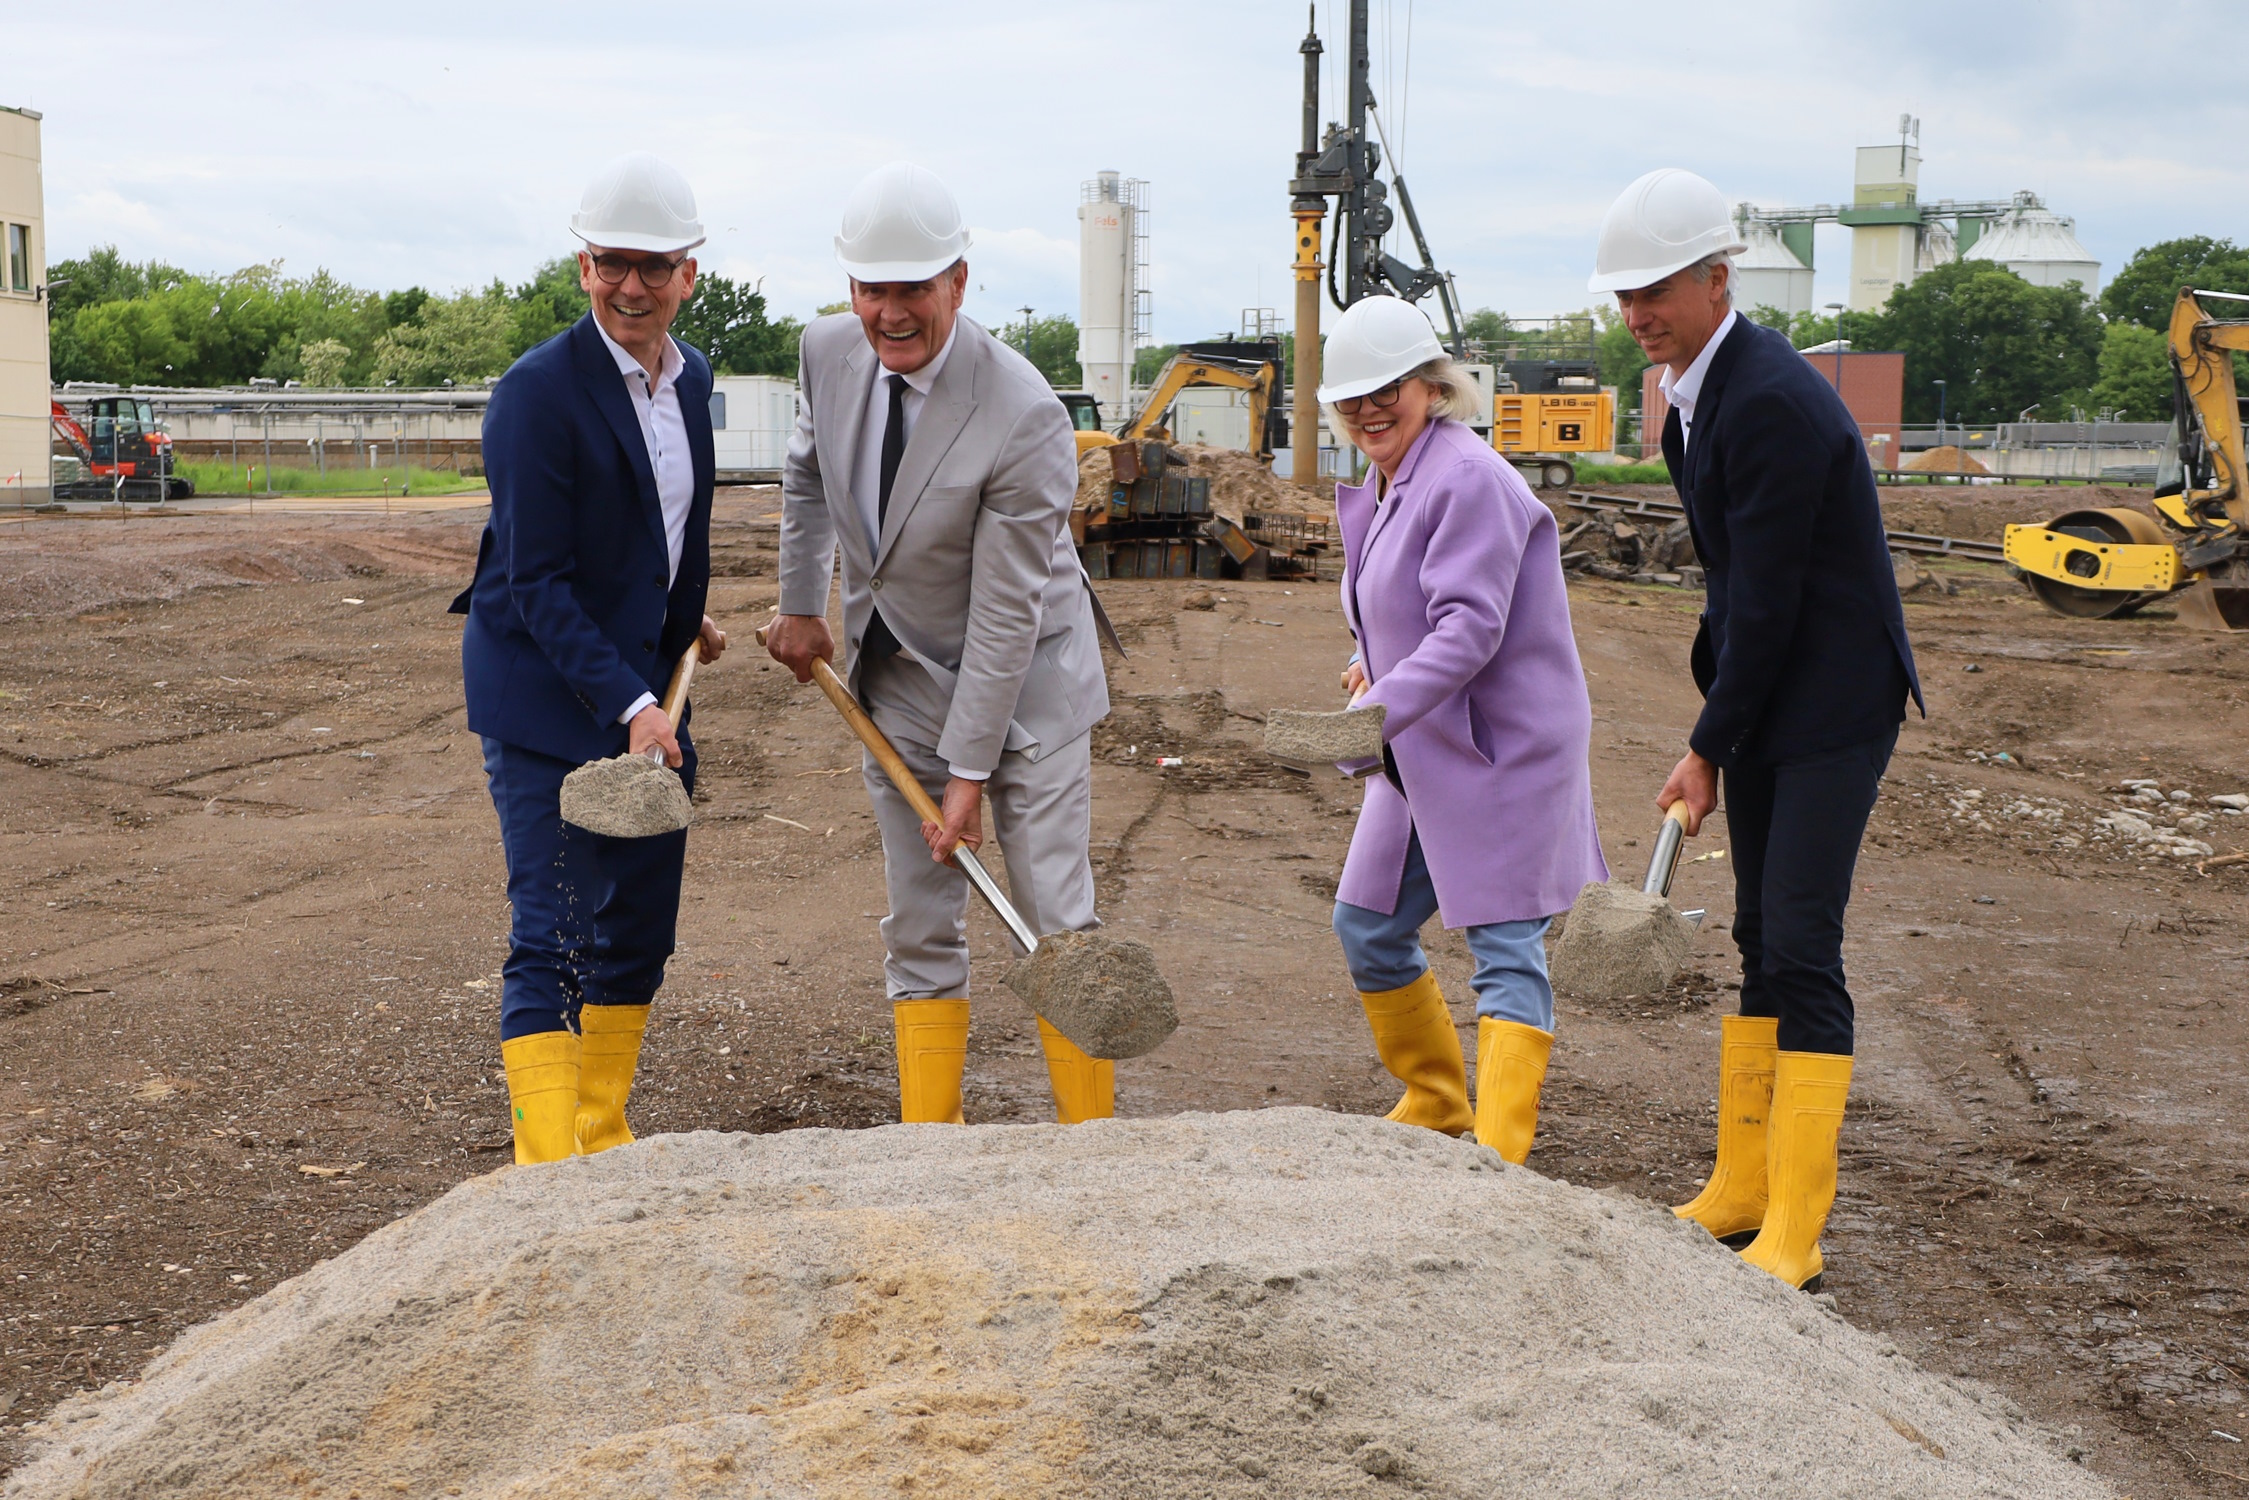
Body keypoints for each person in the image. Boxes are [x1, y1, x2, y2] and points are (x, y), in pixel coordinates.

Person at [1589, 168, 1921, 1288]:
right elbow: (1732, 593)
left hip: (1829, 699)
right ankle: (1743, 1186)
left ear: (1716, 278)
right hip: (1773, 686)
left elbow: (1770, 602)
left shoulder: (1767, 398)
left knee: (1799, 943)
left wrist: (1705, 745)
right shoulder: (1695, 396)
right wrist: (1722, 735)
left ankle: (1797, 1225)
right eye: (1624, 294)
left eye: (1656, 290)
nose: (1638, 313)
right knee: (1752, 939)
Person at [764, 162, 1117, 1127]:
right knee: (918, 913)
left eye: (912, 288)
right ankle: (932, 1139)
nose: (889, 312)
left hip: (1026, 687)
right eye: (871, 288)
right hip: (896, 673)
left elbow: (1006, 611)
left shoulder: (1024, 414)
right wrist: (801, 604)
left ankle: (1092, 1150)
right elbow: (805, 478)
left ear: (957, 282)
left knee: (1053, 915)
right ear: (848, 289)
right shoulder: (825, 352)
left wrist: (968, 774)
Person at [453, 152, 728, 1164]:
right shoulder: (536, 395)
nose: (632, 286)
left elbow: (669, 528)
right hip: (544, 694)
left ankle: (599, 1138)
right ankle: (543, 1168)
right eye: (613, 263)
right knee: (554, 930)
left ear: (687, 274)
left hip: (647, 689)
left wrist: (678, 624)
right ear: (583, 267)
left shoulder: (689, 378)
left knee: (639, 927)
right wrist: (631, 703)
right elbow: (535, 580)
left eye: (654, 267)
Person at [1320, 295, 1607, 1164]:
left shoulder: (1467, 477)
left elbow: (1471, 628)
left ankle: (1500, 1154)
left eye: (1389, 388)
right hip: (1421, 742)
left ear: (1432, 386)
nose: (1371, 408)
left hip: (1498, 749)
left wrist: (1373, 709)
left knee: (1504, 943)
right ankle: (1439, 1099)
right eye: (1355, 395)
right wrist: (1373, 661)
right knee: (1366, 923)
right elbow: (1409, 609)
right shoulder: (1394, 475)